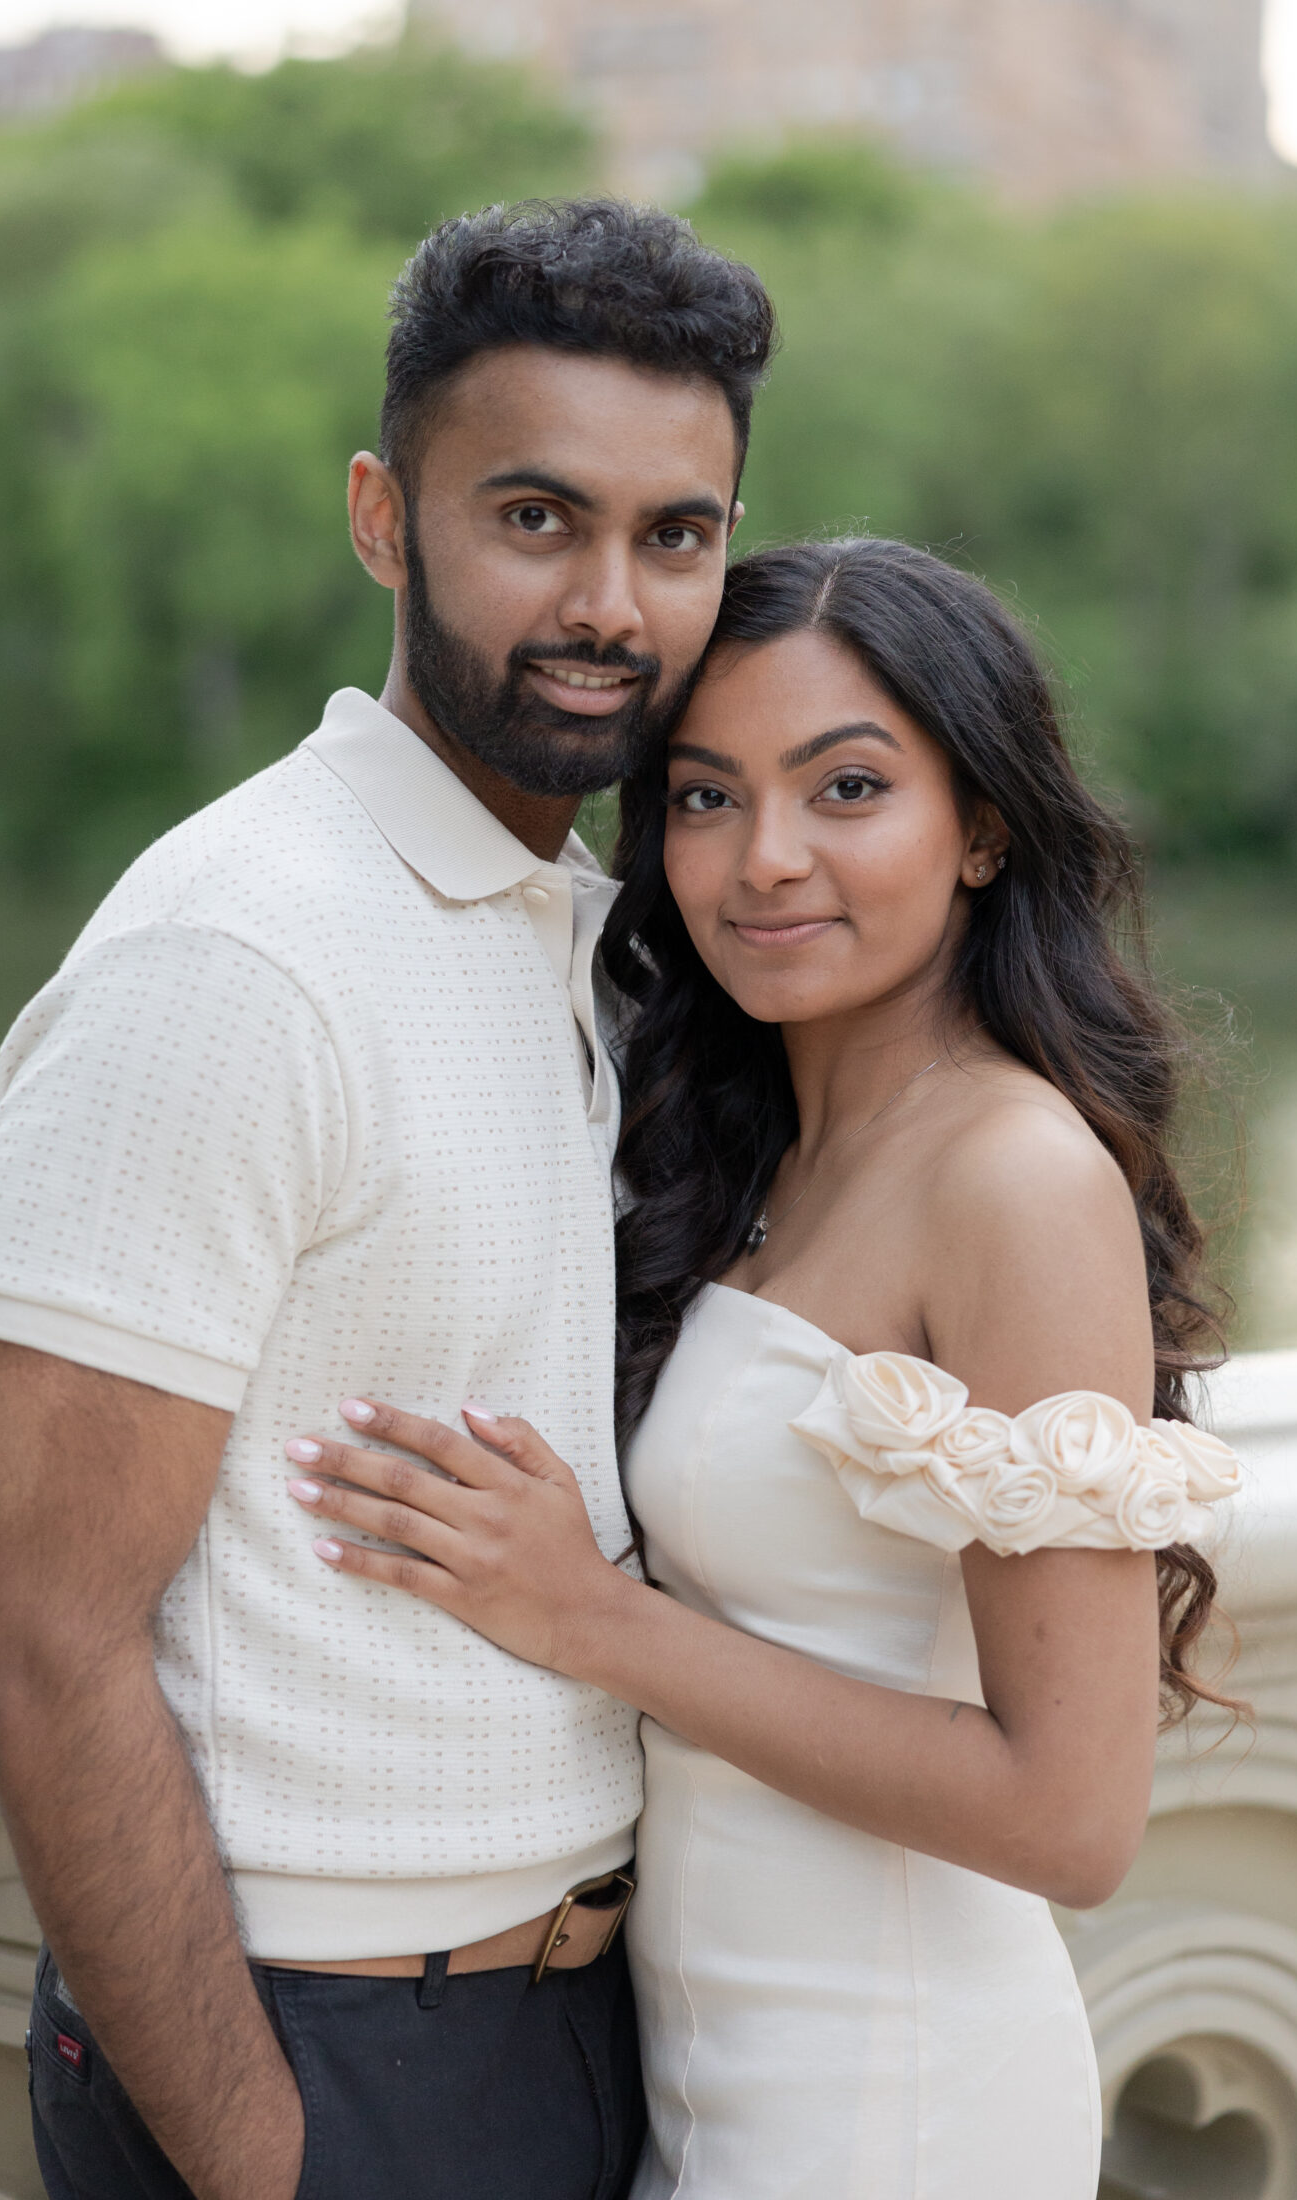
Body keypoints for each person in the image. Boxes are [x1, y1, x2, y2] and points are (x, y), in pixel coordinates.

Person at [0, 197, 776, 2200]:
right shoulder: (236, 955)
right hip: (315, 2042)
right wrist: (258, 2152)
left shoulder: (593, 934)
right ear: (380, 516)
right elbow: (42, 1635)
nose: (609, 599)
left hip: (585, 2012)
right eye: (532, 516)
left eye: (674, 534)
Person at [283, 536, 1244, 2199]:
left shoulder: (1012, 1177)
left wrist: (589, 1619)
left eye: (847, 788)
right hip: (712, 2069)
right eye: (708, 798)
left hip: (894, 2092)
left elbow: (1071, 1816)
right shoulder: (761, 1150)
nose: (764, 861)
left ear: (985, 830)